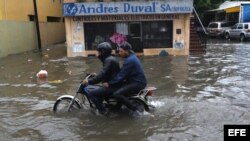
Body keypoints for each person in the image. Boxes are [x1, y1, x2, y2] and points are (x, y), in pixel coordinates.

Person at [103, 41, 147, 117]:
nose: (119, 53)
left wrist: (109, 83)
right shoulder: (132, 57)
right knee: (120, 89)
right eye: (119, 51)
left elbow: (121, 75)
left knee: (117, 94)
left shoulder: (130, 60)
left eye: (121, 51)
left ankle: (136, 109)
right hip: (136, 81)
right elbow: (122, 73)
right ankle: (117, 108)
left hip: (137, 83)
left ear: (126, 51)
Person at [82, 42, 120, 115]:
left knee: (91, 92)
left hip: (112, 86)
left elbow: (102, 75)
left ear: (103, 52)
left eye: (99, 52)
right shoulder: (110, 59)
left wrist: (88, 81)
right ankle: (102, 104)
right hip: (113, 84)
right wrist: (95, 75)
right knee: (96, 89)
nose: (98, 54)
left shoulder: (108, 60)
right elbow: (106, 73)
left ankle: (103, 111)